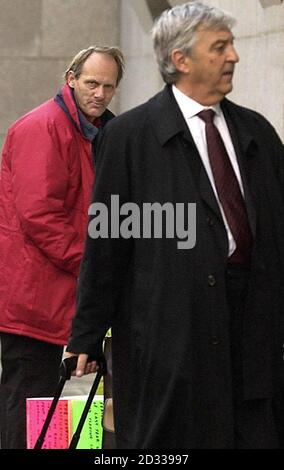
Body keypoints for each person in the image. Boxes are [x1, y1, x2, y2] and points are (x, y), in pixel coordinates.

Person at [66, 2, 284, 449]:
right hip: (171, 342)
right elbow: (108, 243)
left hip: (254, 340)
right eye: (219, 47)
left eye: (232, 45)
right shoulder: (129, 137)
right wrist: (86, 331)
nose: (233, 57)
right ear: (181, 60)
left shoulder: (257, 132)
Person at [0, 45, 124, 449]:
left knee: (73, 413)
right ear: (70, 79)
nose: (100, 94)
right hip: (35, 302)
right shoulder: (42, 127)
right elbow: (40, 217)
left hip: (74, 300)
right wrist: (96, 265)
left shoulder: (105, 131)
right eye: (91, 83)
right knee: (30, 408)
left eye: (108, 86)